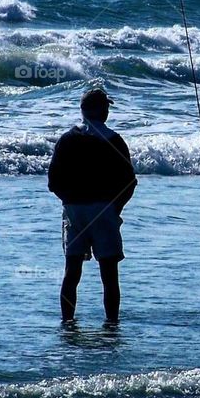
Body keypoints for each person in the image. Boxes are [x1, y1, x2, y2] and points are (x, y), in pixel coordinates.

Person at [48, 88, 137, 323]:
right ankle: (111, 323)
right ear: (102, 111)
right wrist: (116, 207)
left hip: (74, 211)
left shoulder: (67, 140)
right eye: (106, 107)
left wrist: (69, 202)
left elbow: (53, 182)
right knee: (109, 275)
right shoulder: (114, 140)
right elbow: (130, 181)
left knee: (72, 272)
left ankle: (67, 322)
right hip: (104, 209)